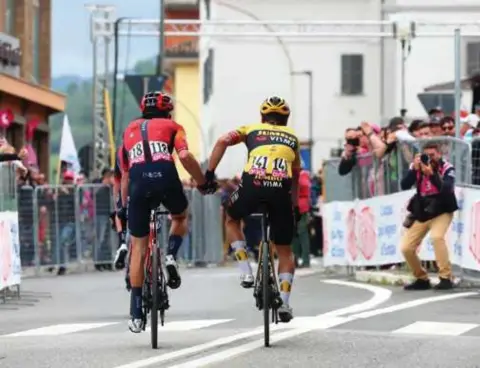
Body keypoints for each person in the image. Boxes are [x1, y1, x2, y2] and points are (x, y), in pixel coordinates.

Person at [117, 91, 212, 333]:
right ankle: (170, 255)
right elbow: (185, 156)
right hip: (166, 179)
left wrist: (123, 206)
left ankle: (136, 313)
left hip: (137, 184)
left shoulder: (128, 131)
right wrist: (202, 182)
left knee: (138, 246)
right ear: (167, 111)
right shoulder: (174, 126)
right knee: (179, 216)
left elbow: (125, 176)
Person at [204, 96, 300, 323]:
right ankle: (285, 302)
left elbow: (222, 141)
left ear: (262, 117)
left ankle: (245, 269)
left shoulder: (250, 129)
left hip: (252, 186)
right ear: (286, 119)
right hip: (280, 191)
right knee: (285, 251)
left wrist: (210, 172)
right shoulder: (293, 137)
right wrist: (294, 204)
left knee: (231, 218)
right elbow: (296, 175)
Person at [400, 141, 458, 290]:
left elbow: (446, 190)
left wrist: (432, 175)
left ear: (439, 154)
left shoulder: (447, 167)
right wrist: (414, 169)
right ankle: (421, 278)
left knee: (437, 237)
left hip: (442, 210)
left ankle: (446, 277)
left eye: (433, 155)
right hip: (424, 211)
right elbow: (404, 185)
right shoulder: (417, 167)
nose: (430, 159)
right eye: (427, 155)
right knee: (406, 247)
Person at [113, 147, 128, 271]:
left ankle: (122, 242)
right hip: (147, 189)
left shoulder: (120, 152)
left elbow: (119, 179)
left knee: (119, 214)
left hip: (127, 191)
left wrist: (118, 204)